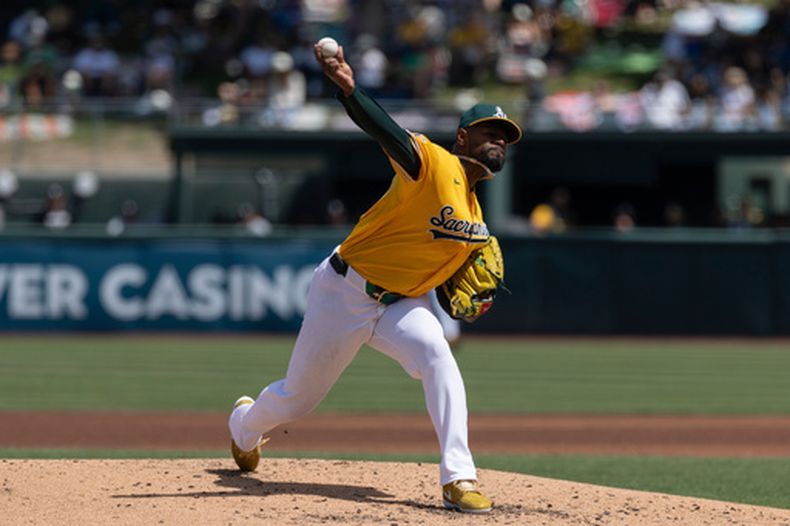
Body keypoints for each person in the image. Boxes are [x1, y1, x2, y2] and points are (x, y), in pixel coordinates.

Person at [228, 40, 521, 514]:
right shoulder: (432, 164)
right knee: (297, 399)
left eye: (505, 136)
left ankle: (458, 478)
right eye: (491, 131)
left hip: (399, 304)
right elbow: (386, 132)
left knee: (438, 357)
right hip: (344, 290)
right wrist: (350, 91)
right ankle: (243, 426)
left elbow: (444, 281)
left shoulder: (475, 216)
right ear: (463, 137)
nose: (500, 141)